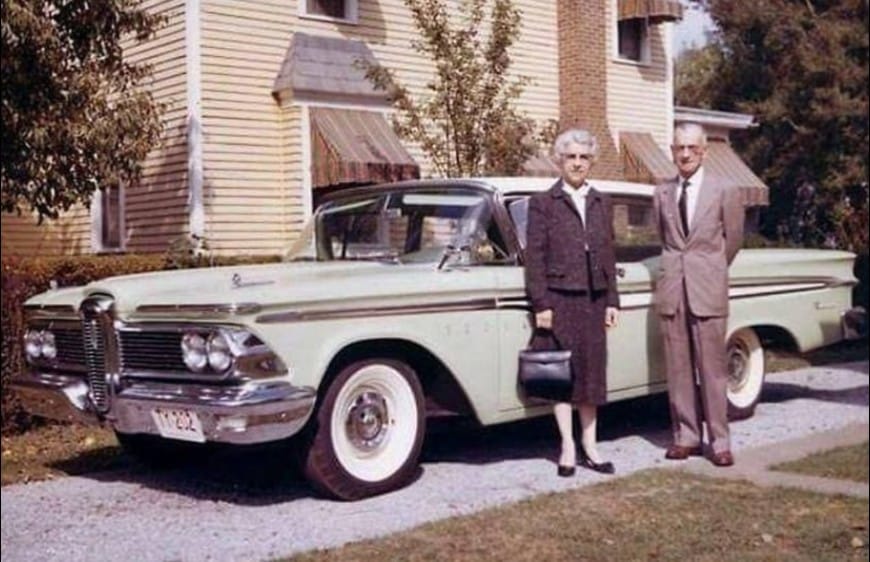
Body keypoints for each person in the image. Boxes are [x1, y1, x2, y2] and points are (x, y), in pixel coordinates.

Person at [525, 128, 620, 477]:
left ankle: (591, 447)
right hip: (560, 299)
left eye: (583, 157)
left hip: (594, 299)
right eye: (571, 156)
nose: (577, 163)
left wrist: (613, 299)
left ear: (591, 161)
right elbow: (534, 257)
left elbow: (609, 253)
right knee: (563, 376)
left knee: (592, 375)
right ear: (559, 160)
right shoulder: (543, 203)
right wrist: (541, 304)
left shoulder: (601, 201)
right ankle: (567, 446)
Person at [653, 122, 744, 467]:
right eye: (679, 148)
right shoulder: (661, 192)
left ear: (704, 151)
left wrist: (709, 269)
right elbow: (665, 239)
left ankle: (720, 441)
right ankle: (686, 436)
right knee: (677, 370)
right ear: (673, 151)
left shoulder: (725, 189)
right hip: (674, 290)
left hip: (708, 290)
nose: (685, 154)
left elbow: (732, 241)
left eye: (692, 148)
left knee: (712, 370)